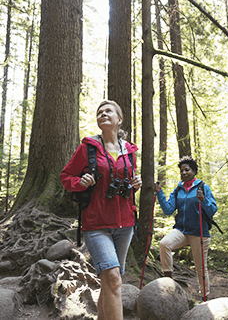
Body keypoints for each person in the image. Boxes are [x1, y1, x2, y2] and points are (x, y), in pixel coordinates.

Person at [61, 100, 141, 320]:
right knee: (114, 278)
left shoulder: (130, 151)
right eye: (99, 112)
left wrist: (136, 182)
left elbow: (128, 179)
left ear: (119, 119)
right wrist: (81, 182)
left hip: (125, 224)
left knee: (110, 280)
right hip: (96, 224)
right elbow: (66, 177)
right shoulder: (87, 148)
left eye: (108, 111)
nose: (103, 114)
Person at [154, 155, 217, 300]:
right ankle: (169, 281)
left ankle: (204, 298)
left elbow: (212, 210)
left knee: (201, 268)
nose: (184, 173)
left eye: (187, 170)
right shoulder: (178, 190)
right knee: (164, 244)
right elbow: (168, 210)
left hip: (199, 232)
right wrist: (159, 192)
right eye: (182, 170)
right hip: (181, 230)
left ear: (194, 171)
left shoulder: (203, 187)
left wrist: (203, 200)